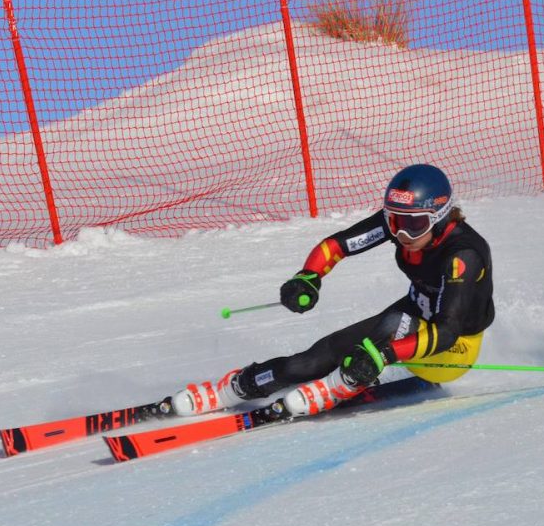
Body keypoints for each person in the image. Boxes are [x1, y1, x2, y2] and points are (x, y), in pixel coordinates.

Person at [171, 163, 495, 417]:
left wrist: (384, 355)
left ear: (440, 217)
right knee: (317, 355)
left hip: (454, 350)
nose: (402, 234)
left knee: (389, 327)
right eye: (395, 222)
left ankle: (338, 386)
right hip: (415, 317)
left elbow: (449, 330)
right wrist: (308, 277)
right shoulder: (401, 226)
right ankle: (237, 387)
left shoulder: (462, 255)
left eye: (414, 225)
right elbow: (337, 245)